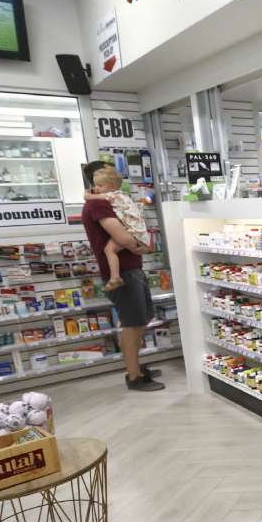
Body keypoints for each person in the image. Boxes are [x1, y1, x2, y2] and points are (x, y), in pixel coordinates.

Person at [80, 161, 163, 392]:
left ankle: (135, 365)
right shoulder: (100, 206)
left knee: (143, 317)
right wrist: (138, 245)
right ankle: (134, 376)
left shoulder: (111, 202)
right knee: (132, 324)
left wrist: (139, 246)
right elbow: (123, 238)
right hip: (123, 273)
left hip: (131, 269)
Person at [86, 167, 150, 292]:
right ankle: (115, 277)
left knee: (109, 250)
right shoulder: (122, 195)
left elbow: (90, 198)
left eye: (99, 185)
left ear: (111, 186)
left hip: (132, 233)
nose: (96, 188)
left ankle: (115, 277)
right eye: (95, 185)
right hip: (136, 232)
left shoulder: (112, 196)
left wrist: (87, 194)